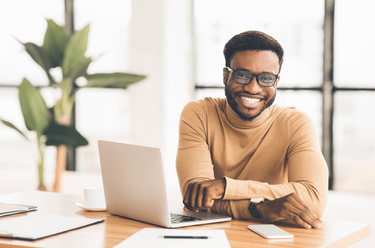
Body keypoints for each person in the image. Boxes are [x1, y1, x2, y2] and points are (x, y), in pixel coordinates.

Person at [176, 30, 328, 229]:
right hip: (213, 233)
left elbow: (313, 201)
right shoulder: (199, 114)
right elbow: (197, 199)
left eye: (266, 78)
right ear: (225, 76)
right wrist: (260, 209)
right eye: (242, 75)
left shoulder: (296, 123)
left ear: (276, 82)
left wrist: (224, 187)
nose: (253, 88)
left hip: (273, 238)